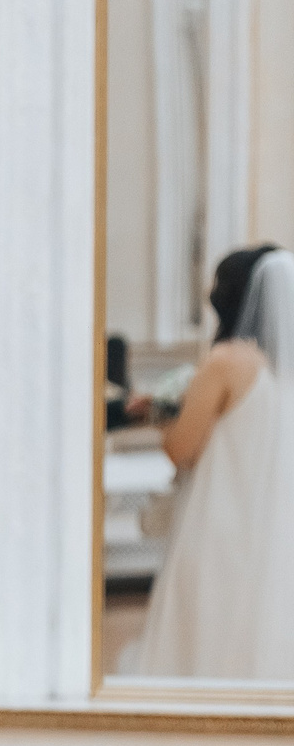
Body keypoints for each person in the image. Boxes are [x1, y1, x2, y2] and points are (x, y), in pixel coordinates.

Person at [131, 243, 294, 679]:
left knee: (209, 612)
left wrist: (161, 414)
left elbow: (182, 449)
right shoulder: (286, 370)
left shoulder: (227, 362)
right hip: (276, 521)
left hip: (221, 517)